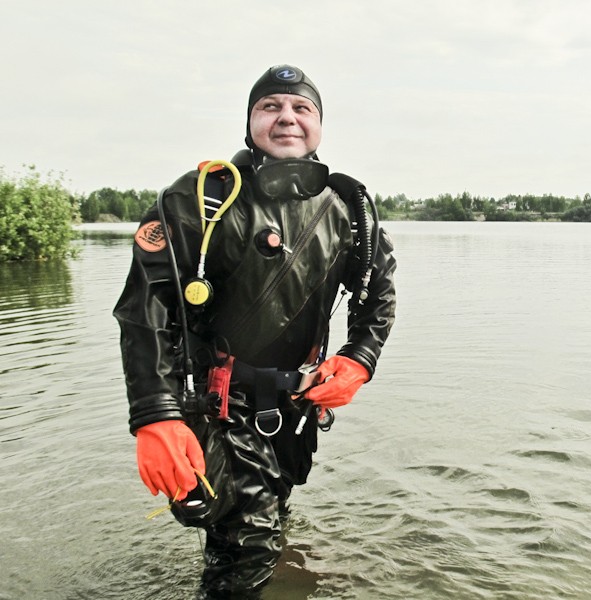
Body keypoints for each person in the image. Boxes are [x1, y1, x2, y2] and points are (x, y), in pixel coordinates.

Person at [113, 64, 397, 598]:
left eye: (301, 108)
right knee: (251, 551)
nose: (286, 117)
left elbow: (378, 293)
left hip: (296, 408)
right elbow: (144, 311)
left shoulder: (348, 209)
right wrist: (156, 418)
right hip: (218, 405)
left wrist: (359, 358)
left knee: (264, 522)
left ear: (319, 125)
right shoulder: (200, 197)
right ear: (250, 123)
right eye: (270, 107)